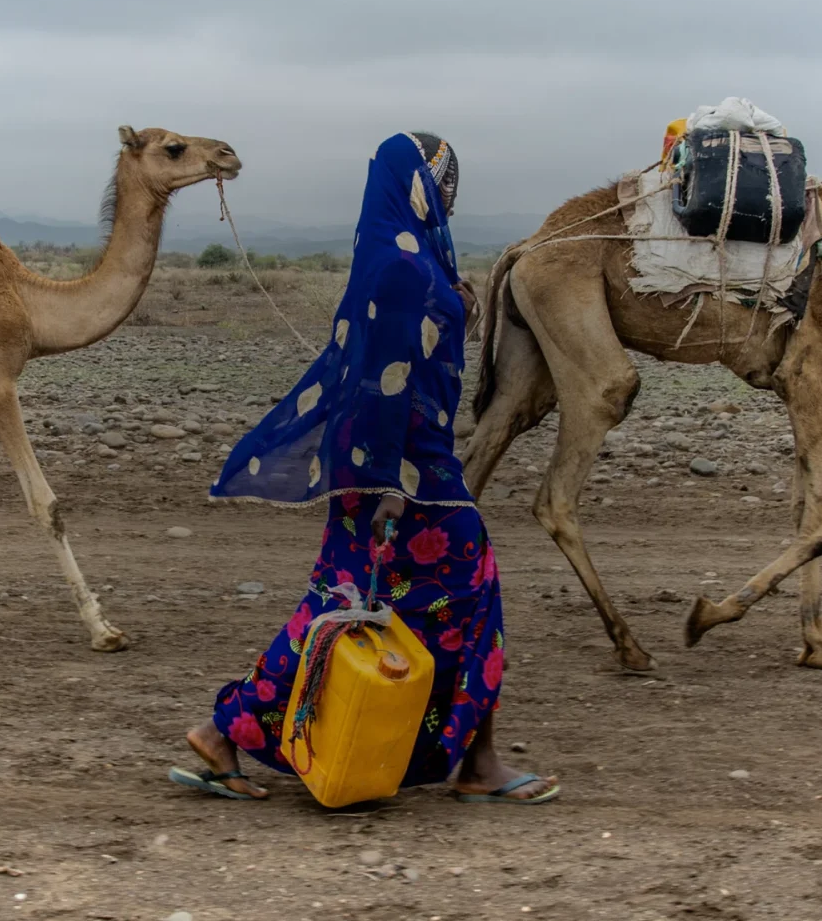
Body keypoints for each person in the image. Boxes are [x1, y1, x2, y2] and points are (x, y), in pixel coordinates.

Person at [170, 132, 559, 804]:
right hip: (406, 473)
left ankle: (222, 730)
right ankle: (477, 762)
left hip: (392, 465)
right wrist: (387, 485)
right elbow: (384, 380)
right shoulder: (403, 267)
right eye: (441, 181)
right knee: (472, 589)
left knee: (343, 602)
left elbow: (407, 347)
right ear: (415, 185)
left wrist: (457, 306)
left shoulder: (398, 258)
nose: (448, 195)